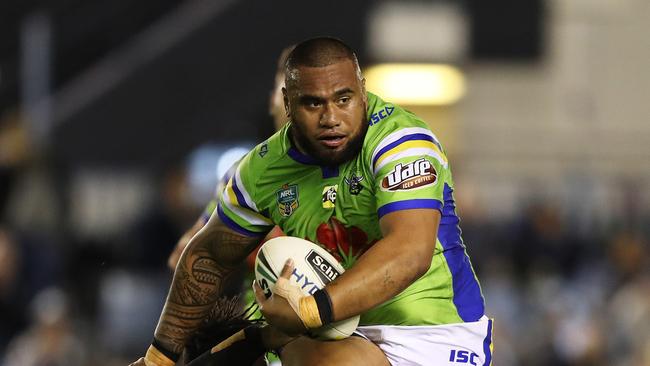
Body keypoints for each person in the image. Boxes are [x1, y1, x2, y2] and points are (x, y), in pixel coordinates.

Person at [130, 36, 491, 366]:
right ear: (287, 103)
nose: (331, 118)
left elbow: (409, 251)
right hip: (343, 335)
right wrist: (159, 355)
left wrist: (309, 311)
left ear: (363, 92)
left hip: (437, 335)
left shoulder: (401, 142)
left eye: (344, 99)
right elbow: (207, 256)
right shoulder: (261, 170)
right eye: (313, 103)